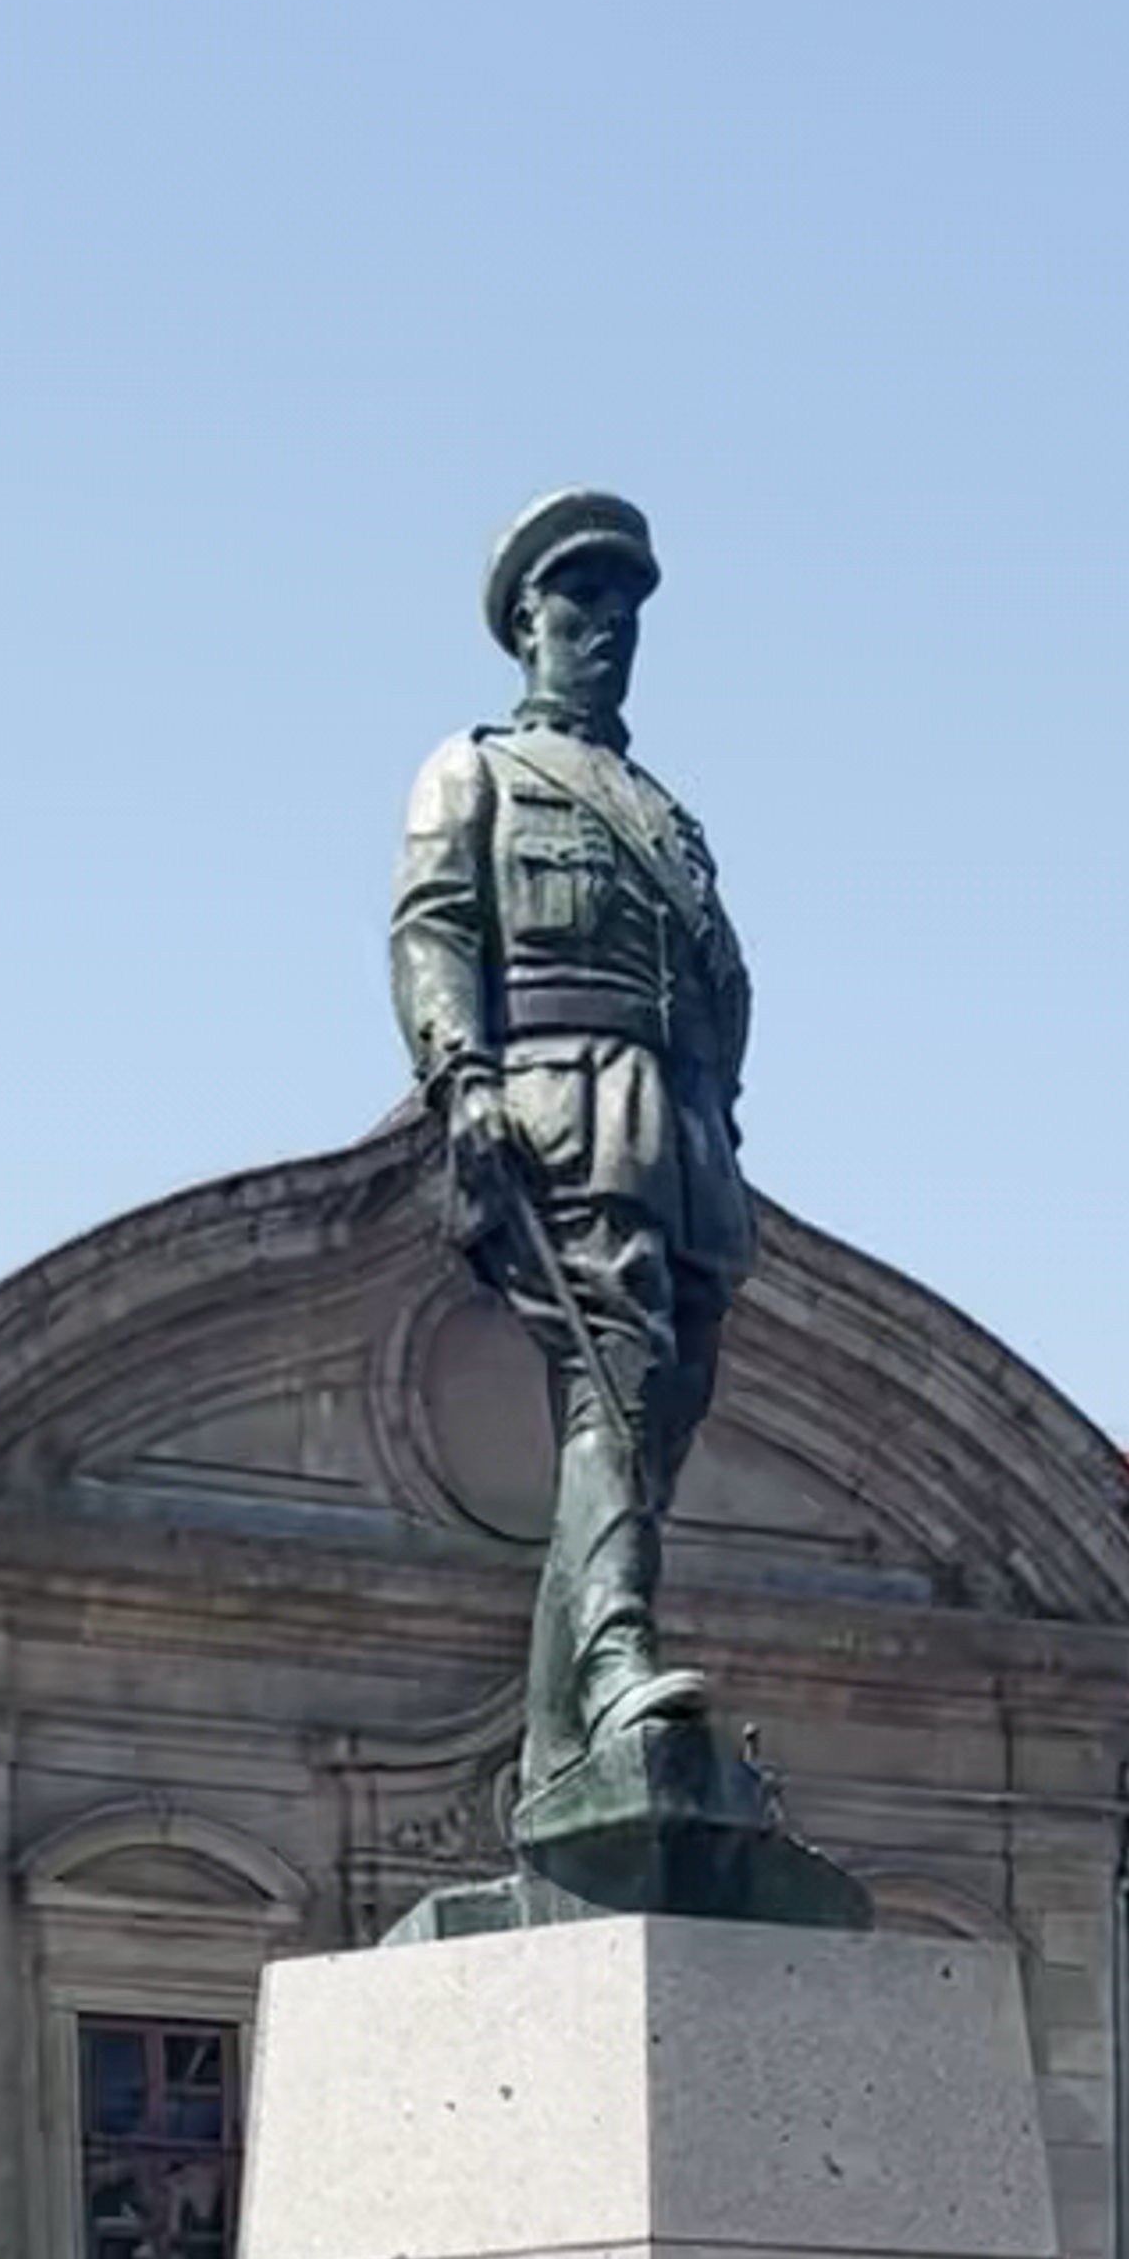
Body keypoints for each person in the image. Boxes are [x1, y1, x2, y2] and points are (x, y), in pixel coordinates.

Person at [390, 488, 755, 1819]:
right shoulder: (479, 772)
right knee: (621, 1371)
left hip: (685, 1135)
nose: (605, 629)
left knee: (647, 1423)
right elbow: (433, 930)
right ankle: (613, 1659)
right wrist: (463, 1077)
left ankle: (564, 1754)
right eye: (578, 605)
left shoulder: (663, 814)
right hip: (562, 1101)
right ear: (526, 624)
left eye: (624, 610)